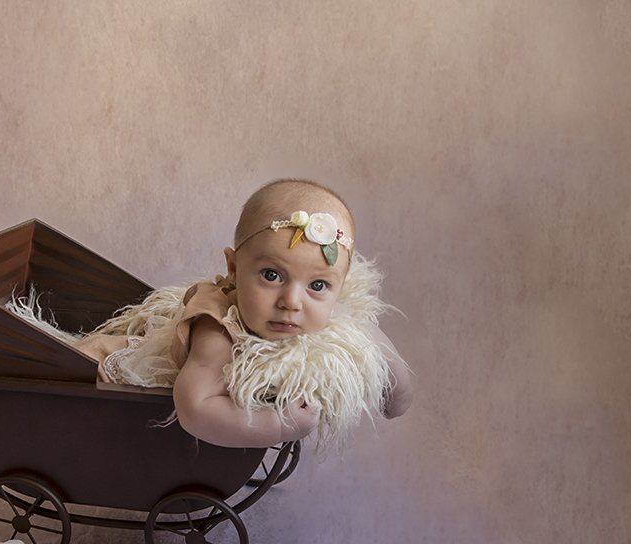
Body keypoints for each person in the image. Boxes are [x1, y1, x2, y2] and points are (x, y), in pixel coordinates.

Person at [39, 179, 412, 450]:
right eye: (271, 275)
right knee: (62, 369)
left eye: (318, 285)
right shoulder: (217, 326)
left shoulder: (323, 310)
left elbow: (370, 343)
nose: (292, 302)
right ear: (233, 269)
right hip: (111, 372)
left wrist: (395, 395)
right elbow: (194, 408)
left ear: (340, 284)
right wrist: (278, 423)